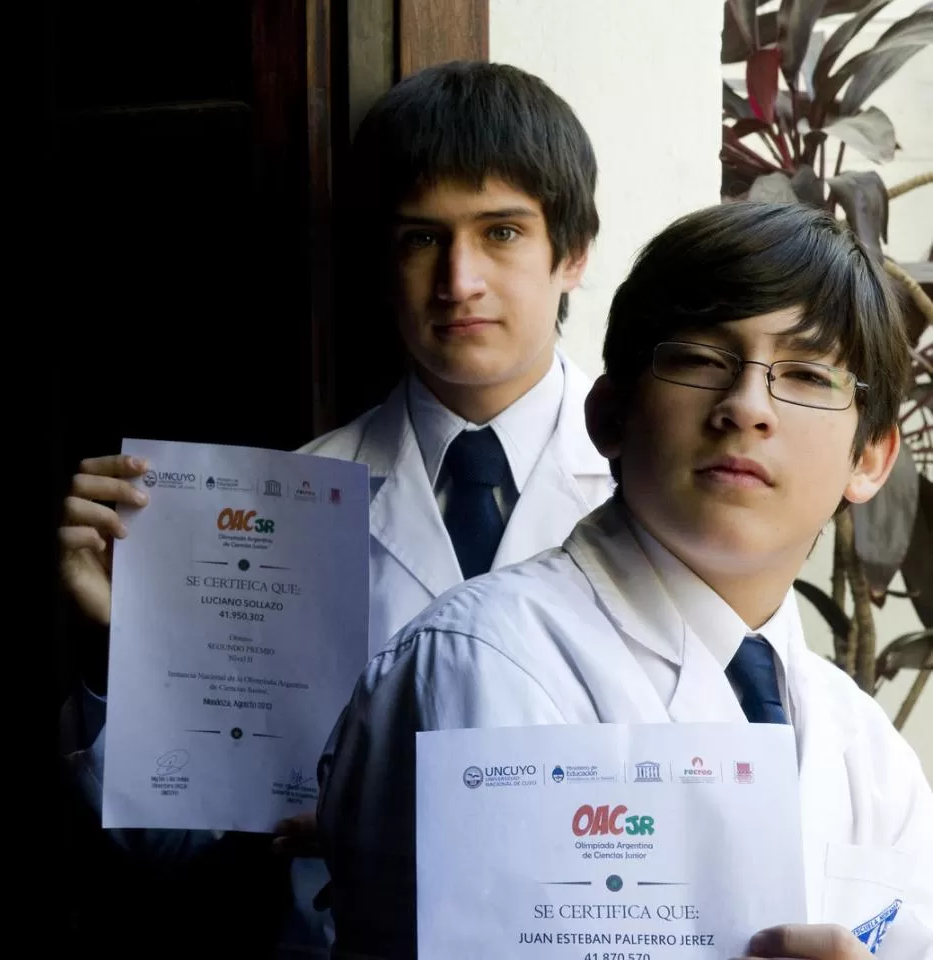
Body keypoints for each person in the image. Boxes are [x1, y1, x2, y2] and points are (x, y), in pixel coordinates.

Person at [58, 60, 611, 955]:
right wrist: (125, 657)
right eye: (420, 239)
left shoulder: (656, 493)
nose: (459, 279)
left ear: (574, 252)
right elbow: (165, 847)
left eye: (501, 231)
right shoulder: (286, 508)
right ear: (379, 261)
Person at [317, 201, 933, 960]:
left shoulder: (870, 753)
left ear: (870, 457)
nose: (747, 408)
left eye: (804, 374)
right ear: (608, 415)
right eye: (703, 360)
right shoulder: (486, 667)